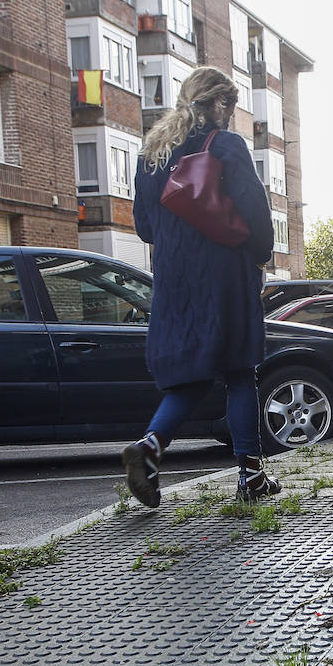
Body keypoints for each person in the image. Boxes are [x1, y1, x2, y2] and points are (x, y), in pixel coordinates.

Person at [121, 66, 280, 507]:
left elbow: (144, 227)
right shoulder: (225, 145)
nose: (229, 112)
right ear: (212, 103)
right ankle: (250, 476)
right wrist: (259, 254)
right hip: (225, 270)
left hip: (174, 278)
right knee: (238, 368)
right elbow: (255, 212)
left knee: (192, 370)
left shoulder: (151, 153)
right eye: (226, 102)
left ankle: (151, 446)